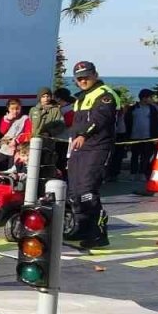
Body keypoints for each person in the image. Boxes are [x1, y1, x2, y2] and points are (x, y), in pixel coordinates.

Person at [65, 61, 121, 248]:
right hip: (79, 148)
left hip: (97, 147)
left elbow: (100, 119)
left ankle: (98, 233)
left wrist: (83, 134)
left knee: (87, 191)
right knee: (74, 192)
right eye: (79, 78)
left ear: (95, 75)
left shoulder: (105, 94)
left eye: (86, 77)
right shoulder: (81, 97)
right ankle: (82, 228)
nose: (82, 81)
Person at [125, 89, 158, 183]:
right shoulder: (133, 108)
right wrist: (127, 137)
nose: (151, 99)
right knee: (134, 156)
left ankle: (142, 173)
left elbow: (155, 123)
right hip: (134, 136)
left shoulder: (152, 109)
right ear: (144, 98)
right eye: (150, 97)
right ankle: (133, 173)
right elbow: (127, 122)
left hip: (148, 137)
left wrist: (155, 137)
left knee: (145, 157)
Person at [0, 99, 29, 172]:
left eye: (17, 109)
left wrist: (17, 141)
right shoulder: (5, 118)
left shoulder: (25, 119)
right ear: (8, 109)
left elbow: (28, 133)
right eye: (12, 109)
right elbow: (2, 131)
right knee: (0, 167)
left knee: (12, 169)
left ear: (21, 108)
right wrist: (8, 120)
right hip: (5, 148)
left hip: (17, 149)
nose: (15, 111)